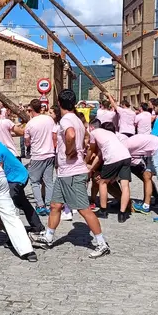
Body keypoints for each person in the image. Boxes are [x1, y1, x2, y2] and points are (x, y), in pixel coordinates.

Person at [38, 89, 110, 259]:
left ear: (59, 102)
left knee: (84, 209)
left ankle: (101, 243)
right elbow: (84, 136)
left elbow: (70, 135)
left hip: (72, 173)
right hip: (64, 174)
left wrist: (70, 150)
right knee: (55, 205)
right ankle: (48, 236)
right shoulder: (76, 119)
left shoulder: (66, 120)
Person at [0, 125, 44, 234]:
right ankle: (37, 226)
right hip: (14, 176)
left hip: (16, 178)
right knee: (22, 202)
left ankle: (16, 233)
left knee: (7, 205)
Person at [88, 120, 132, 223]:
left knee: (103, 182)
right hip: (126, 156)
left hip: (113, 157)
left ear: (91, 127)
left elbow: (91, 149)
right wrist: (92, 168)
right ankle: (122, 213)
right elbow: (100, 154)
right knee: (125, 185)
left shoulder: (93, 133)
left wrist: (87, 163)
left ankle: (103, 210)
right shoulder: (110, 134)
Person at [24, 99, 56, 216]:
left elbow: (27, 143)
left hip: (37, 155)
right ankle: (49, 204)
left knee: (35, 182)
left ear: (31, 109)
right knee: (48, 181)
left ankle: (40, 205)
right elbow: (54, 135)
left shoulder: (30, 124)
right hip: (50, 153)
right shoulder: (49, 119)